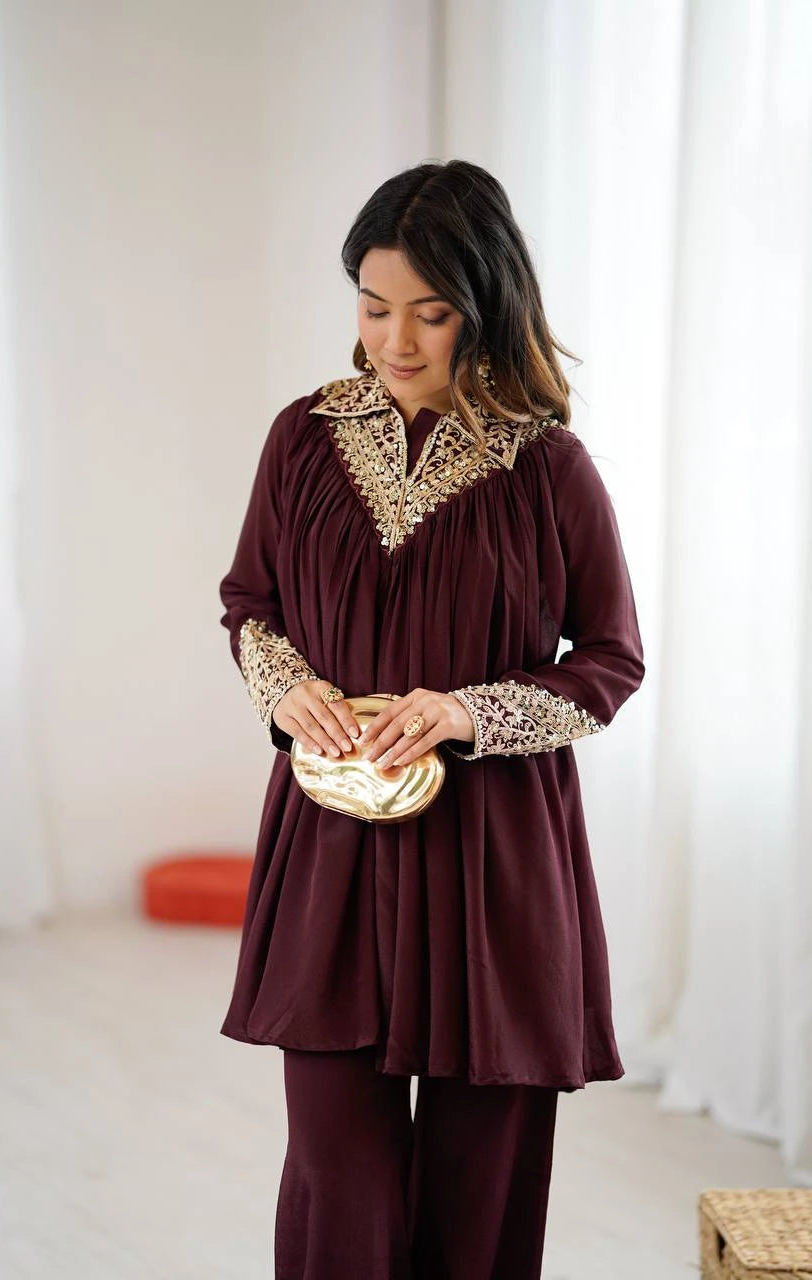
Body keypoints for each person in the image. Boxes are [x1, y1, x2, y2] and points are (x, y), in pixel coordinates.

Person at [217, 159, 645, 1280]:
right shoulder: (300, 437)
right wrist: (283, 687)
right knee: (336, 1160)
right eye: (371, 304)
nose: (394, 339)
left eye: (429, 311)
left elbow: (610, 661)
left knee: (479, 1184)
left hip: (494, 862)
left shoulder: (548, 466)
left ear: (483, 305)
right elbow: (248, 601)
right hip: (331, 847)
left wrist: (463, 710)